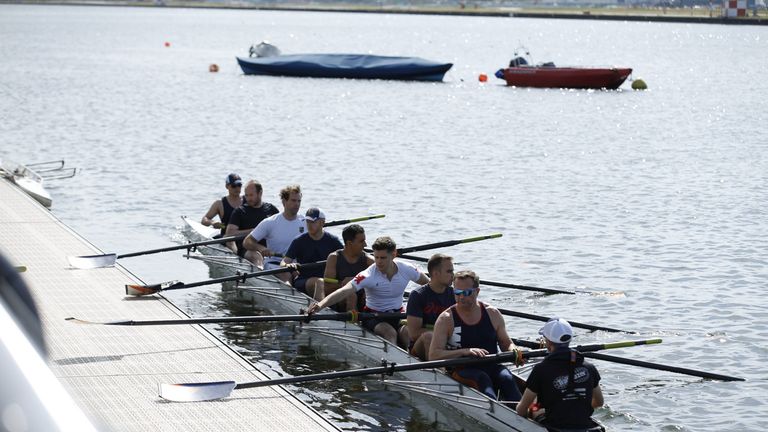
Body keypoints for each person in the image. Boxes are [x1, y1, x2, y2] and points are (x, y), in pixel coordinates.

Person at [306, 236, 429, 346]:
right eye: (376, 257)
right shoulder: (368, 275)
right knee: (390, 334)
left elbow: (430, 284)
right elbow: (344, 291)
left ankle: (418, 362)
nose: (379, 262)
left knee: (409, 334)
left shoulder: (407, 269)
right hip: (373, 316)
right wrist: (320, 305)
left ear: (394, 254)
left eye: (383, 258)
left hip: (398, 314)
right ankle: (394, 365)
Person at [429, 270, 523, 403]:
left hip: (492, 365)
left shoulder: (492, 313)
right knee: (482, 379)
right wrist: (465, 351)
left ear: (477, 292)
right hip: (463, 369)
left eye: (466, 293)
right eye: (457, 293)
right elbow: (433, 355)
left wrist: (514, 350)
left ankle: (524, 414)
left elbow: (505, 342)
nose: (461, 297)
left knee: (507, 379)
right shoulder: (446, 319)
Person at [516, 318, 604, 431]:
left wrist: (530, 410)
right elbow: (599, 402)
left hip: (555, 427)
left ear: (548, 341)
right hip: (584, 426)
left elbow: (520, 410)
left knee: (534, 407)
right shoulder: (589, 367)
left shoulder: (541, 369)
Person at [243, 184, 304, 278]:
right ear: (284, 201)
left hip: (298, 265)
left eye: (299, 201)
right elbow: (247, 242)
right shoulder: (270, 222)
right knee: (286, 275)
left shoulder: (306, 222)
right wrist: (262, 249)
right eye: (293, 200)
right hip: (275, 263)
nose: (297, 204)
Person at [281, 208, 343, 300]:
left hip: (328, 280)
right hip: (303, 279)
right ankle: (320, 311)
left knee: (349, 287)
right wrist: (288, 265)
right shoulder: (299, 241)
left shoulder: (333, 240)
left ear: (322, 222)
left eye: (313, 222)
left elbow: (346, 257)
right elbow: (283, 263)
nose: (309, 225)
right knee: (319, 282)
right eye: (307, 222)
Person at [405, 253, 456, 360]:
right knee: (429, 336)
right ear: (436, 273)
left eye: (452, 271)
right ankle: (438, 372)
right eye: (449, 271)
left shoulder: (455, 295)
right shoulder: (418, 295)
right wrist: (441, 334)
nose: (453, 275)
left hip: (445, 342)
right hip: (420, 347)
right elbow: (414, 334)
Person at [322, 224, 374, 312]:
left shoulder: (369, 260)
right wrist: (345, 285)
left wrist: (357, 281)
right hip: (340, 300)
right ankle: (354, 323)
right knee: (351, 295)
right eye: (361, 241)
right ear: (349, 243)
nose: (365, 245)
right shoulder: (334, 258)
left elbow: (381, 282)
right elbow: (327, 288)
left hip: (363, 299)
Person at [224, 180, 278, 258]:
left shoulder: (271, 209)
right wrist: (254, 231)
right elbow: (229, 233)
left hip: (269, 249)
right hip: (248, 250)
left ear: (260, 193)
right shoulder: (239, 211)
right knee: (256, 256)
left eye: (251, 195)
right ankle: (260, 269)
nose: (248, 198)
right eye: (246, 195)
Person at [201, 173, 244, 237]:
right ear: (226, 186)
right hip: (227, 238)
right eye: (234, 186)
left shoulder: (247, 200)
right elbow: (204, 219)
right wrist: (212, 223)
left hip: (245, 235)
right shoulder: (219, 204)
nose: (237, 188)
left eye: (239, 185)